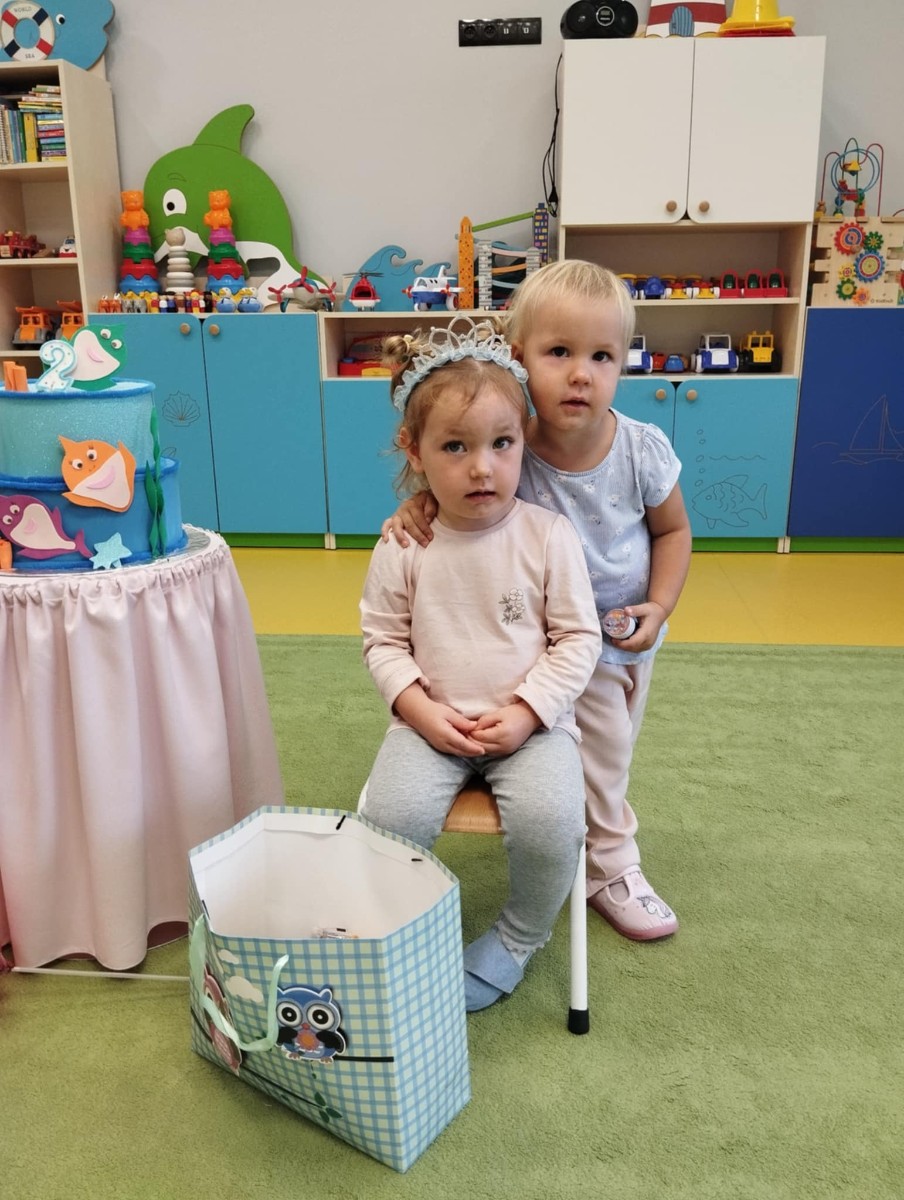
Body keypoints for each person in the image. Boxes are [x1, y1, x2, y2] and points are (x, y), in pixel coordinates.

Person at [383, 260, 692, 941]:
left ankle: (597, 860)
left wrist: (661, 605)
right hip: (539, 646)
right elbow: (462, 476)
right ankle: (586, 858)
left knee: (610, 760)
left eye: (602, 356)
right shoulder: (506, 442)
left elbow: (673, 530)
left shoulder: (640, 449)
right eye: (560, 353)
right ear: (519, 358)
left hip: (617, 639)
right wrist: (420, 502)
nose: (582, 375)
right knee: (577, 764)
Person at [360, 317, 603, 1011]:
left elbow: (577, 639)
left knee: (554, 824)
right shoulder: (404, 543)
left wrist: (527, 713)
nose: (481, 467)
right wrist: (420, 712)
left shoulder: (548, 536)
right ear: (414, 450)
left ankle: (519, 938)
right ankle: (404, 932)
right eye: (455, 446)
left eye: (502, 444)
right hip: (428, 725)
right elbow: (382, 641)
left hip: (533, 729)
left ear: (523, 437)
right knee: (389, 821)